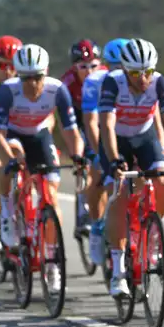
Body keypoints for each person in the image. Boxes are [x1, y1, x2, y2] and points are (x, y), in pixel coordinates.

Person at [0, 44, 85, 292]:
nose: (32, 84)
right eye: (26, 78)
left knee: (51, 195)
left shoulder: (57, 90)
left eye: (37, 77)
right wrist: (8, 161)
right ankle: (8, 212)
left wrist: (77, 156)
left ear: (45, 73)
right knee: (10, 160)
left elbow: (70, 131)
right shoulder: (7, 91)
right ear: (18, 75)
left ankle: (52, 258)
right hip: (12, 135)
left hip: (40, 135)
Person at [98, 38, 164, 297]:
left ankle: (151, 236)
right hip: (116, 140)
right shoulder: (113, 82)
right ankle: (118, 271)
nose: (143, 79)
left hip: (145, 137)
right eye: (135, 73)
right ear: (124, 70)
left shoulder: (160, 82)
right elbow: (106, 125)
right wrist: (115, 158)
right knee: (121, 195)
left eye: (148, 72)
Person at [83, 38, 128, 266]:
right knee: (100, 180)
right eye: (115, 67)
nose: (120, 72)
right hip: (102, 135)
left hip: (130, 134)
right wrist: (99, 155)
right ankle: (97, 225)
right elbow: (91, 122)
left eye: (124, 66)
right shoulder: (95, 81)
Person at [62, 39, 105, 228]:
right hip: (77, 116)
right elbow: (68, 122)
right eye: (83, 66)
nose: (89, 71)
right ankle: (82, 206)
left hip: (100, 115)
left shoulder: (107, 76)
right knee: (84, 158)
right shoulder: (67, 83)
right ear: (74, 67)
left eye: (93, 66)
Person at [0, 35, 22, 252]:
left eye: (13, 66)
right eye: (3, 66)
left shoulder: (25, 81)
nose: (8, 71)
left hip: (14, 130)